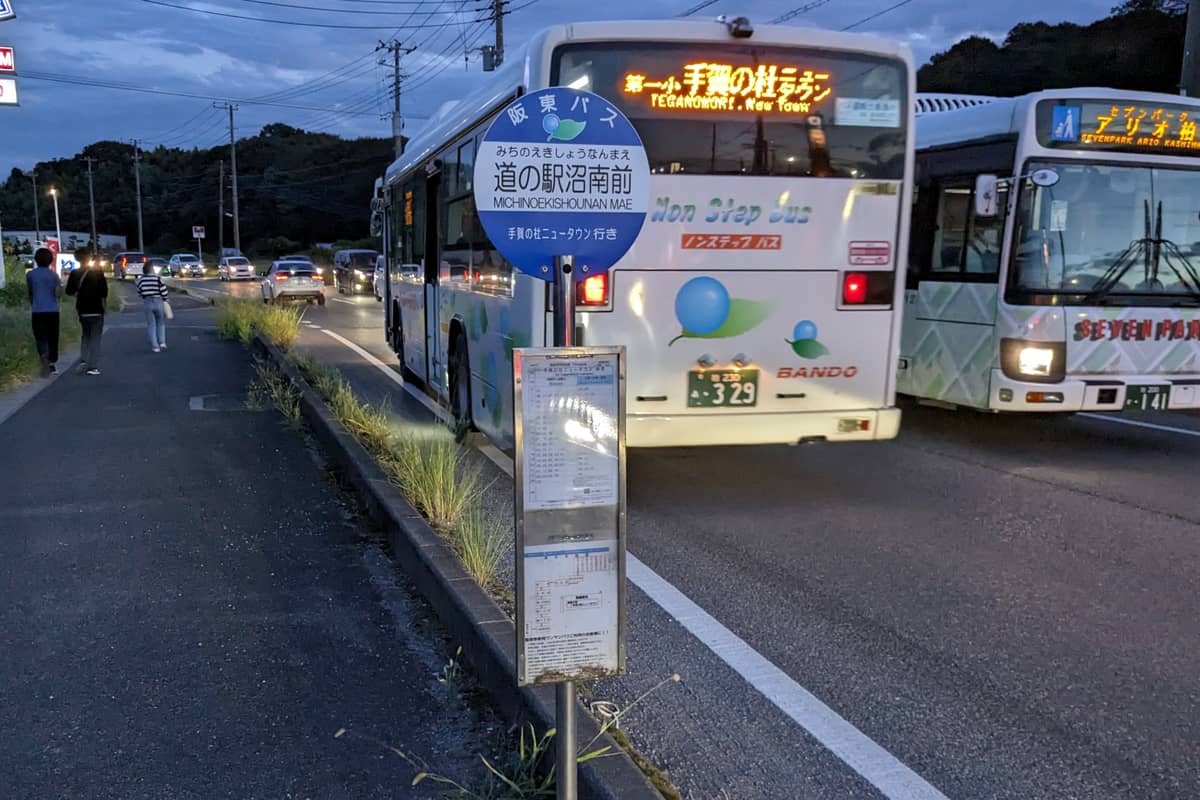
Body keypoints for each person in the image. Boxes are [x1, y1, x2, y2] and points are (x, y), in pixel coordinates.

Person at [66, 262, 109, 376]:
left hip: (83, 310)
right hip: (97, 310)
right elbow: (104, 293)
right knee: (96, 338)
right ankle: (93, 366)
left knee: (85, 335)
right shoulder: (100, 275)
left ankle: (84, 360)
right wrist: (105, 307)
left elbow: (68, 291)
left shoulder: (75, 273)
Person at [26, 247, 62, 377]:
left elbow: (30, 292)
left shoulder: (30, 274)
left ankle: (43, 357)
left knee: (40, 337)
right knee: (53, 337)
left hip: (37, 310)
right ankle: (52, 363)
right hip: (52, 310)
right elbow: (58, 294)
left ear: (36, 260)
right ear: (50, 260)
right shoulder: (54, 275)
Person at [135, 267, 169, 352]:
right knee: (160, 322)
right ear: (152, 270)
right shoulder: (158, 279)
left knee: (151, 324)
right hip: (158, 302)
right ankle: (162, 342)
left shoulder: (141, 280)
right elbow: (164, 291)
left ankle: (155, 346)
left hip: (148, 302)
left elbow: (139, 291)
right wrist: (164, 298)